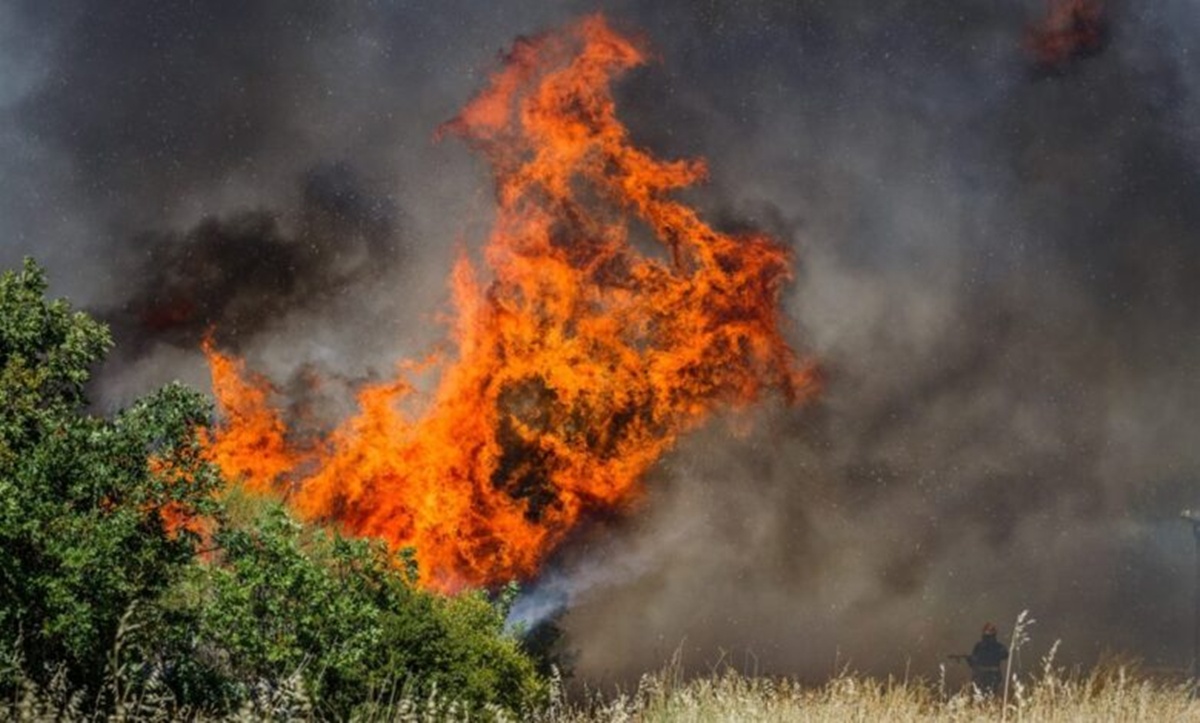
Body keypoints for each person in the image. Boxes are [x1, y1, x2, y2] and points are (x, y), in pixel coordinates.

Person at [968, 622, 1009, 695]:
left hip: (989, 676)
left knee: (986, 696)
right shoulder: (981, 646)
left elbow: (1005, 655)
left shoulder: (997, 647)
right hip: (983, 676)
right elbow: (973, 662)